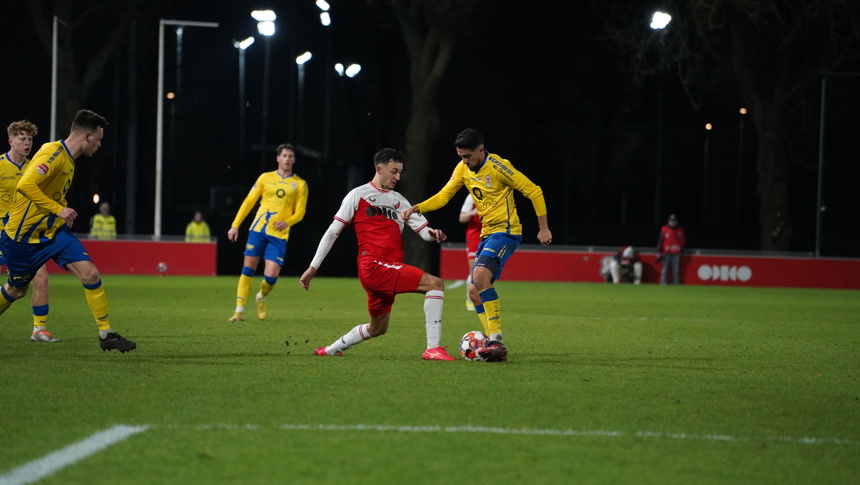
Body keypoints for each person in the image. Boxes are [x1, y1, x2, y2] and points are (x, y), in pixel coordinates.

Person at [401, 128, 552, 362]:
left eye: (467, 156)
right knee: (473, 291)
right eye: (460, 156)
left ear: (480, 150)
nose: (464, 161)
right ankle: (495, 345)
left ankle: (496, 341)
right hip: (487, 235)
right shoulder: (462, 168)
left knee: (479, 278)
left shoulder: (499, 167)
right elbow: (444, 196)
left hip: (506, 232)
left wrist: (543, 228)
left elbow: (534, 190)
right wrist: (417, 207)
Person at [299, 148, 455, 361]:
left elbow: (423, 231)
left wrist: (433, 233)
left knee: (378, 328)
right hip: (373, 265)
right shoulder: (358, 194)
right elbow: (333, 232)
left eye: (400, 172)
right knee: (435, 284)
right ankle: (433, 348)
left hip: (388, 268)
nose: (397, 177)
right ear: (379, 169)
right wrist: (313, 267)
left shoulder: (399, 200)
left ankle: (330, 350)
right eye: (394, 171)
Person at [0, 109, 136, 352]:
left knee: (90, 274)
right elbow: (25, 185)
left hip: (53, 232)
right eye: (98, 139)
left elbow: (51, 193)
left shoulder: (69, 160)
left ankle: (106, 334)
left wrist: (60, 212)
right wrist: (58, 209)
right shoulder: (52, 153)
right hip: (23, 237)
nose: (99, 145)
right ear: (87, 136)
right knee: (17, 290)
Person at [227, 143, 308, 322]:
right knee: (248, 269)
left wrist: (287, 222)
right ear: (278, 158)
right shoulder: (265, 178)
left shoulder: (300, 184)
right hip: (258, 229)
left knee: (271, 277)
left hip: (279, 235)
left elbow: (301, 212)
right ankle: (239, 310)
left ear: (294, 160)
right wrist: (235, 225)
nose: (287, 159)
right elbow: (249, 201)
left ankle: (261, 297)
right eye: (284, 155)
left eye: (290, 156)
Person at [1, 120, 58, 342]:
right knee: (18, 289)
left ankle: (39, 330)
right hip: (1, 231)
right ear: (11, 141)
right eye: (22, 139)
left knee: (39, 278)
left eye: (30, 139)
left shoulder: (34, 168)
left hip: (24, 234)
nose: (27, 143)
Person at [459, 194, 481, 311]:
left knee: (487, 271)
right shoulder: (472, 196)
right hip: (475, 236)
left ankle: (484, 299)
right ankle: (471, 300)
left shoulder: (497, 194)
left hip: (491, 235)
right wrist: (473, 212)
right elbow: (462, 218)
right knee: (474, 270)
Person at [657, 213, 685, 285]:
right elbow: (661, 240)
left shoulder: (680, 230)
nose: (672, 222)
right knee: (664, 270)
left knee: (676, 271)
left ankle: (676, 285)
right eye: (671, 221)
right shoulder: (664, 229)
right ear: (668, 221)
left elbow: (682, 240)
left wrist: (682, 249)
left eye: (674, 221)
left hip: (676, 253)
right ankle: (663, 285)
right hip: (666, 253)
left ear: (676, 221)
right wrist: (659, 250)